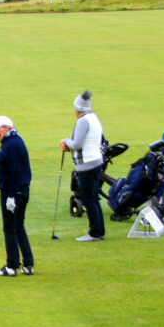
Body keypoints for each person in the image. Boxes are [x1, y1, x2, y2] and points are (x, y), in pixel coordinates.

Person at [0, 116, 33, 276]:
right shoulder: (13, 141)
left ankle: (11, 266)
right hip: (20, 190)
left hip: (13, 191)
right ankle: (28, 264)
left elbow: (15, 172)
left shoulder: (11, 144)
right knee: (19, 226)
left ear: (7, 127)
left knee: (10, 227)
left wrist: (11, 196)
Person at [61, 90, 105, 241]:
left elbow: (77, 144)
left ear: (77, 108)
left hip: (87, 165)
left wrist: (66, 141)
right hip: (96, 162)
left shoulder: (82, 121)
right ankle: (99, 230)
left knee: (88, 199)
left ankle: (95, 232)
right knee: (93, 198)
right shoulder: (93, 117)